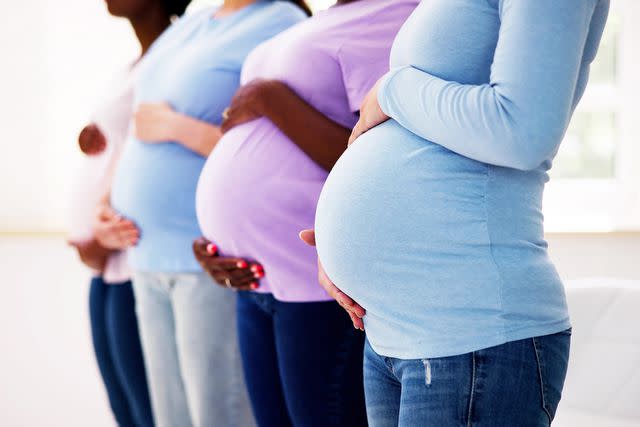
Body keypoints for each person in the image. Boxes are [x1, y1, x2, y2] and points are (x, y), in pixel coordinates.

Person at [310, 0, 610, 425]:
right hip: (390, 334)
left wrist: (391, 90)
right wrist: (342, 241)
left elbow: (522, 133)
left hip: (471, 335)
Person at [190, 0, 418, 425]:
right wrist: (221, 233)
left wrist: (269, 97)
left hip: (317, 283)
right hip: (255, 279)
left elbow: (382, 160)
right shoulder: (329, 18)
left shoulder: (397, 14)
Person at [109, 1, 309, 426]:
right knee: (171, 417)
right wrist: (107, 203)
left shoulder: (280, 22)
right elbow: (142, 120)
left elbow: (282, 148)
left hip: (207, 258)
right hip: (145, 253)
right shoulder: (196, 21)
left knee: (218, 414)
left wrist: (176, 127)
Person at [68, 1, 189, 426]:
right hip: (106, 260)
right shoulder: (137, 62)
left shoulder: (178, 53)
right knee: (124, 408)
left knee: (147, 412)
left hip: (132, 256)